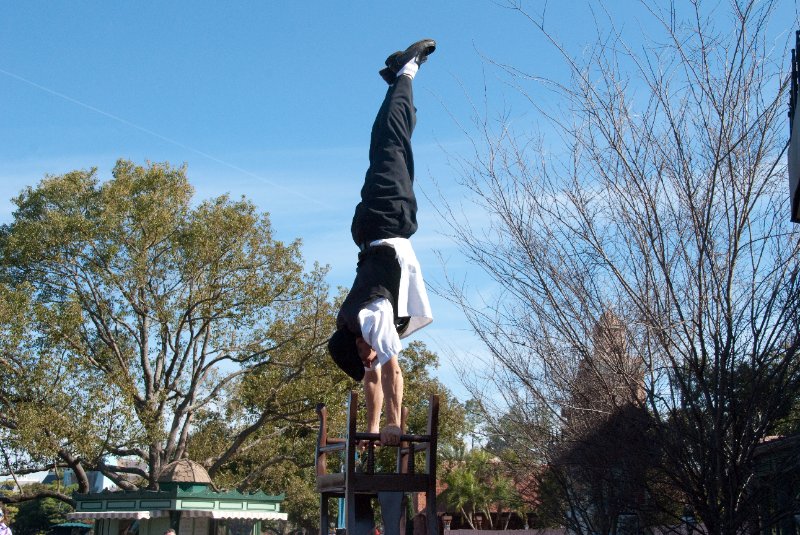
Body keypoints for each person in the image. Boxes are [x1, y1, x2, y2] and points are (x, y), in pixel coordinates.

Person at [328, 38, 435, 449]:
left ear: (359, 344)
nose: (369, 360)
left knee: (390, 142)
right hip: (376, 229)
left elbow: (391, 369)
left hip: (384, 219)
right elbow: (373, 375)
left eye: (364, 356)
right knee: (392, 145)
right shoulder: (356, 328)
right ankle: (396, 82)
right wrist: (372, 430)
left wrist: (393, 422)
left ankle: (407, 70)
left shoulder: (369, 319)